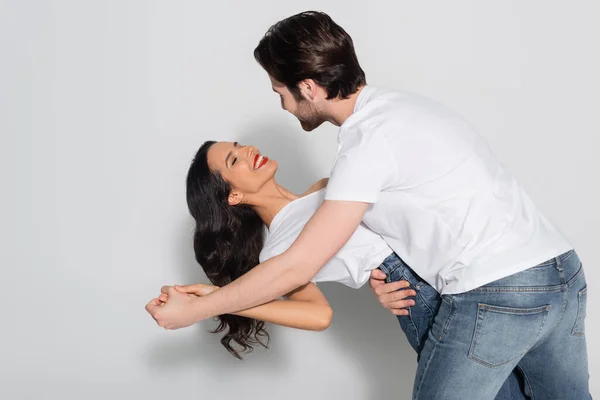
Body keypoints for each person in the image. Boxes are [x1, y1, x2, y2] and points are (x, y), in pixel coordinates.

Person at [147, 11, 590, 399]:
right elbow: (325, 288)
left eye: (280, 90)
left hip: (496, 289)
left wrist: (202, 308)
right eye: (233, 158)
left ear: (308, 87)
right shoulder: (395, 111)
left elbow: (300, 265)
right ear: (233, 195)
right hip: (557, 270)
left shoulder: (360, 152)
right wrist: (383, 274)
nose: (281, 104)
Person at [151, 139, 526, 399]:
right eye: (234, 161)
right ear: (233, 196)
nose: (247, 151)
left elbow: (388, 227)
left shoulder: (325, 187)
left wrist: (373, 278)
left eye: (237, 146)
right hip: (424, 296)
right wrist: (221, 300)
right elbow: (318, 314)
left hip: (463, 271)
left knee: (526, 388)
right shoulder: (280, 250)